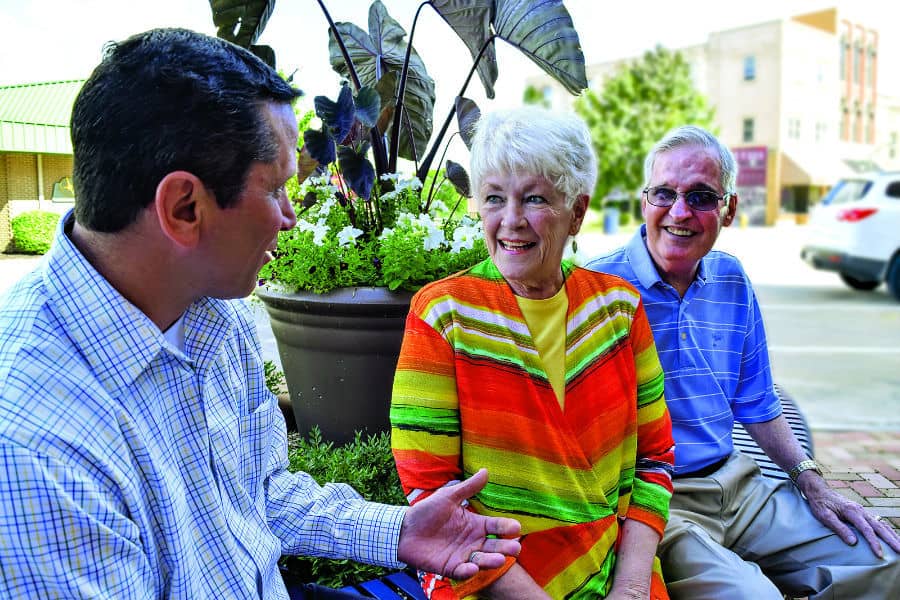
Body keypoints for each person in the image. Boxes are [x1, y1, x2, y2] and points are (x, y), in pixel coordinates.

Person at [0, 28, 523, 599]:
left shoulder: (209, 312)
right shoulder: (36, 441)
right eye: (276, 188)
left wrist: (399, 529)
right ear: (184, 207)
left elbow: (261, 490)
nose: (290, 216)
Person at [586, 124, 900, 599]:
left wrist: (812, 483)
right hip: (661, 503)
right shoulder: (597, 288)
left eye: (701, 197)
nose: (679, 212)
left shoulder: (732, 278)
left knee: (885, 563)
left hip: (740, 483)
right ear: (643, 201)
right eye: (664, 193)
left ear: (729, 209)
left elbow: (756, 401)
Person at [390, 106, 675, 599]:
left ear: (577, 213)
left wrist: (630, 587)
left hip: (616, 569)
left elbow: (656, 460)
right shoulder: (442, 315)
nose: (511, 220)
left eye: (535, 198)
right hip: (487, 578)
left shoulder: (620, 310)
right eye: (494, 198)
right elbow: (431, 494)